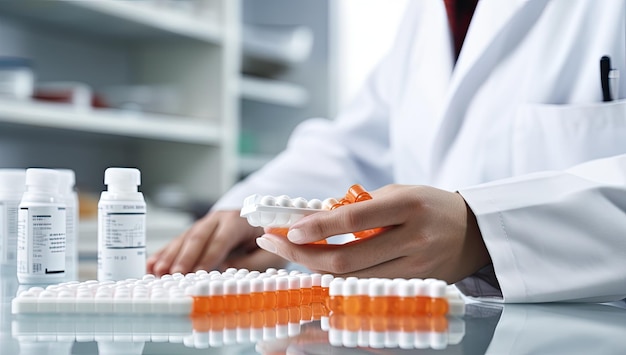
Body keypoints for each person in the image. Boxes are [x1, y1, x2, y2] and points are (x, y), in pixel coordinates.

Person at [148, 0, 626, 303]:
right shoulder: (426, 14)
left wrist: (485, 231)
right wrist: (262, 210)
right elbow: (361, 143)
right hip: (448, 322)